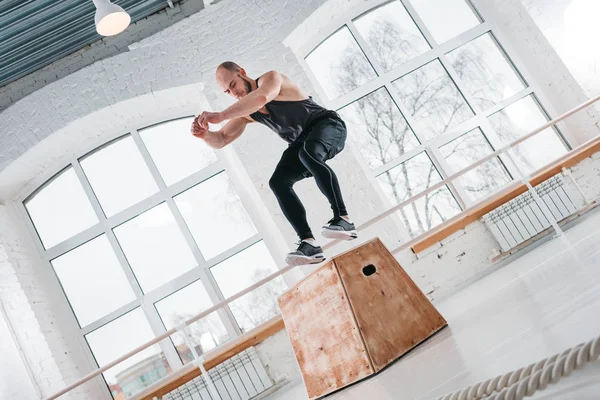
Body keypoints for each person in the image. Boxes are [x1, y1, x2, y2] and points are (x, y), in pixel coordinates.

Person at [191, 61, 357, 266]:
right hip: (301, 143)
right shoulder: (247, 113)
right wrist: (205, 134)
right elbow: (223, 138)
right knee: (278, 182)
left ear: (243, 73)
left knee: (308, 153)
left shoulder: (270, 78)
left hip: (327, 125)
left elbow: (261, 97)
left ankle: (344, 219)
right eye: (227, 91)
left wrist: (221, 115)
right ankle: (309, 244)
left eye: (233, 85)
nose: (233, 93)